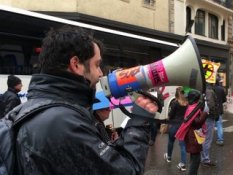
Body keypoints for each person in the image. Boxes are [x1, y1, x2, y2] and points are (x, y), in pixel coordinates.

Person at [14, 26, 158, 175]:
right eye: (97, 65)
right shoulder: (63, 123)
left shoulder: (41, 110)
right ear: (76, 64)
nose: (100, 73)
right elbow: (128, 170)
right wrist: (139, 123)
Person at [176, 90, 208, 175]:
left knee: (194, 157)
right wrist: (205, 113)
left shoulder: (192, 107)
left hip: (193, 135)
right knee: (196, 159)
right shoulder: (193, 108)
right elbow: (196, 122)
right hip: (193, 136)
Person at [163, 86, 188, 172]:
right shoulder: (187, 103)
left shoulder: (175, 103)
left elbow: (171, 115)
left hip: (174, 125)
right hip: (183, 126)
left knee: (171, 141)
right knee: (182, 145)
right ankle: (183, 164)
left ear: (176, 94)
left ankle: (169, 157)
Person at [201, 82, 219, 167]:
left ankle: (202, 157)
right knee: (207, 138)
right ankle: (205, 159)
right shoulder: (209, 91)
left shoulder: (202, 90)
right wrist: (215, 115)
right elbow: (211, 106)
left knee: (202, 137)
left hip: (202, 117)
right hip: (208, 118)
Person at [214, 78, 227, 146]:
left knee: (208, 125)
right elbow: (224, 99)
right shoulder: (221, 89)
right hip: (219, 109)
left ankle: (206, 139)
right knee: (219, 125)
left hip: (210, 110)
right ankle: (220, 139)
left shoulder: (209, 89)